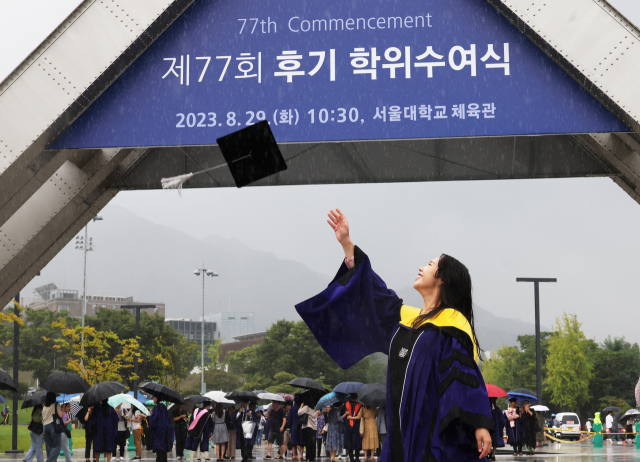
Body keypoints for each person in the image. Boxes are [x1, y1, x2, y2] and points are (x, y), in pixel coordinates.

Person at [295, 209, 494, 462]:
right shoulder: (405, 319)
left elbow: (462, 382)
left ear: (443, 279)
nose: (421, 267)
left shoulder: (452, 328)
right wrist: (347, 244)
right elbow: (375, 293)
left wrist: (479, 423)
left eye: (430, 265)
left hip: (430, 437)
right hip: (398, 437)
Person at [42, 392, 64, 462]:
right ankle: (49, 460)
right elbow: (61, 415)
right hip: (53, 426)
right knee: (57, 445)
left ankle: (51, 460)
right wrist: (62, 408)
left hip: (45, 427)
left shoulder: (44, 406)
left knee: (49, 447)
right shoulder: (56, 405)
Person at [149, 396, 171, 462]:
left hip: (158, 432)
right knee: (163, 448)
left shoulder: (156, 408)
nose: (153, 399)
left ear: (156, 398)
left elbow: (153, 420)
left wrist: (149, 417)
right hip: (165, 431)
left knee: (158, 448)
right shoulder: (164, 407)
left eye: (154, 397)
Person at [342, 396, 362, 462]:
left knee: (349, 441)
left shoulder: (346, 404)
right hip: (357, 425)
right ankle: (357, 457)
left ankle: (351, 457)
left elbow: (342, 415)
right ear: (356, 398)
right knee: (357, 441)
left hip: (348, 426)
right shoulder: (360, 405)